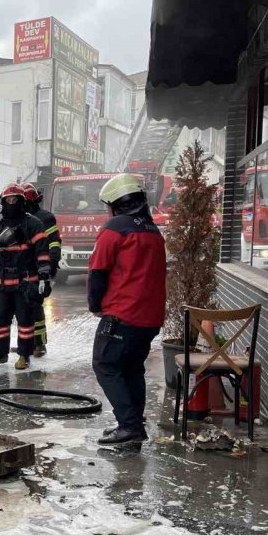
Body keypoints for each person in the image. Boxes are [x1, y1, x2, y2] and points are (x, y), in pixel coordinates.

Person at [88, 173, 167, 446]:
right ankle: (134, 421)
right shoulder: (152, 231)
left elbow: (98, 271)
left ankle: (130, 426)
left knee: (106, 365)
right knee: (132, 368)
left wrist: (96, 305)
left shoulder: (114, 229)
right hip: (150, 316)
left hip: (123, 313)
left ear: (115, 203)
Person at [0, 183, 51, 370]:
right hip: (2, 283)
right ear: (3, 202)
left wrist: (44, 277)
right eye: (8, 200)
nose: (11, 203)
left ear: (22, 201)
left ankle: (24, 355)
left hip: (24, 282)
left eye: (14, 199)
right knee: (0, 320)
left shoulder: (33, 224)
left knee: (25, 321)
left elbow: (42, 253)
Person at [21, 182, 61, 358]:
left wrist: (49, 265)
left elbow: (53, 242)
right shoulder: (18, 219)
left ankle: (39, 344)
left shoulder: (45, 218)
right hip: (21, 269)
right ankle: (26, 343)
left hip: (39, 268)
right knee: (21, 308)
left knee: (34, 305)